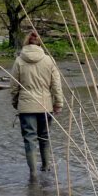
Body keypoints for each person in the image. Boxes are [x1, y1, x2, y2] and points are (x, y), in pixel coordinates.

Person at [10, 31, 64, 180]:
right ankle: (46, 168)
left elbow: (14, 87)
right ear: (40, 43)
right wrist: (58, 103)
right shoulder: (49, 60)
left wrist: (16, 103)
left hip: (26, 107)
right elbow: (56, 85)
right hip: (45, 105)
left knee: (29, 139)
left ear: (26, 42)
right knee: (45, 137)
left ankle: (33, 173)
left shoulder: (19, 61)